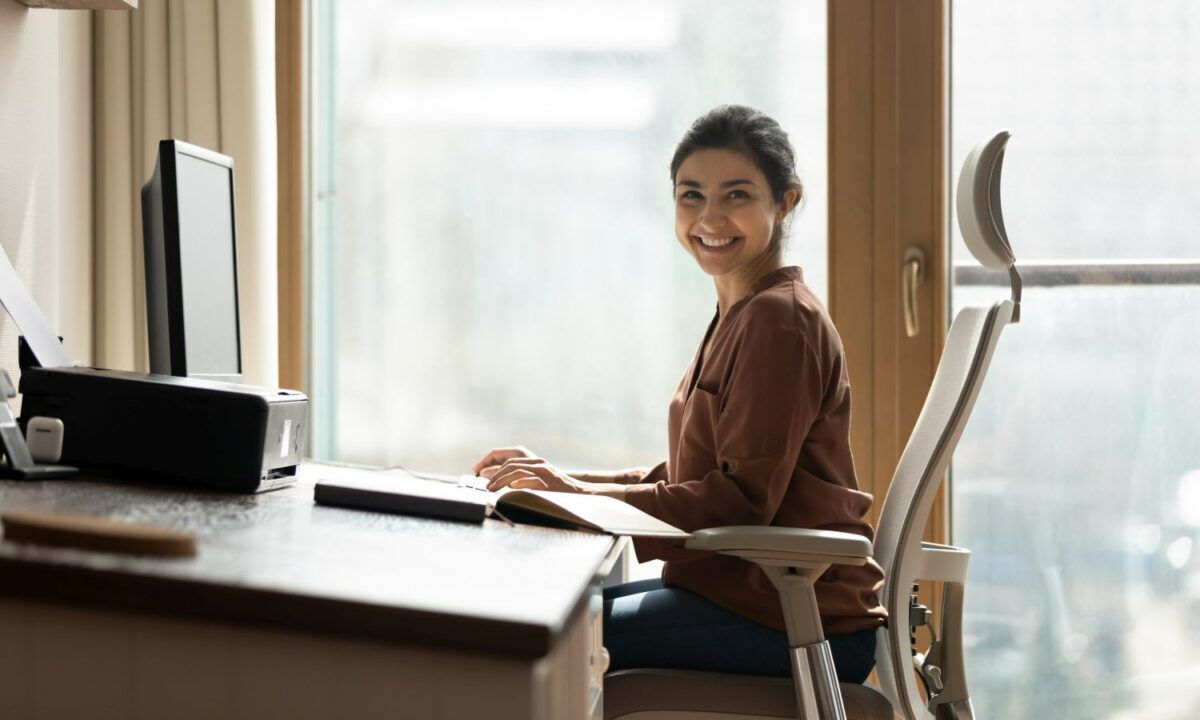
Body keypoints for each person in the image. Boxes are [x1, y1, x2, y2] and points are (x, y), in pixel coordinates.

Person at [472, 105, 886, 683]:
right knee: (537, 614)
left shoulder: (779, 322)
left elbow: (737, 501)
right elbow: (693, 474)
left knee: (529, 640)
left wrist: (573, 496)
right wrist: (565, 485)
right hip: (746, 602)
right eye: (691, 196)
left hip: (791, 618)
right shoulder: (742, 311)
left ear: (784, 202)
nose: (710, 217)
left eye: (736, 196)